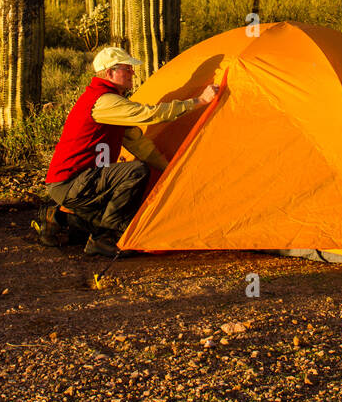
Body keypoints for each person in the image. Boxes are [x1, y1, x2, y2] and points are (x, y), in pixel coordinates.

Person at [41, 42, 219, 258]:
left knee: (131, 205)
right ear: (109, 72)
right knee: (135, 172)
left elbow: (138, 144)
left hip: (75, 181)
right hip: (71, 182)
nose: (132, 72)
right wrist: (199, 101)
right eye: (126, 68)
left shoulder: (109, 102)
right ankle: (105, 237)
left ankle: (62, 218)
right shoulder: (104, 101)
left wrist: (171, 170)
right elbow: (151, 114)